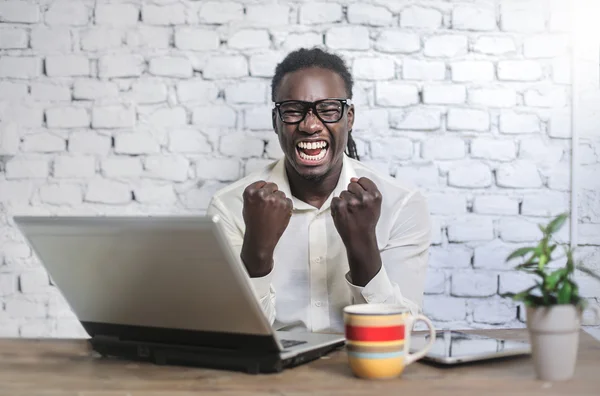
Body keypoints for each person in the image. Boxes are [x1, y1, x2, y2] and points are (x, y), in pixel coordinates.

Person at [207, 48, 431, 333]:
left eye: (328, 110)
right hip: (269, 375)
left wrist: (363, 245)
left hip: (361, 369)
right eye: (292, 110)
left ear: (349, 118)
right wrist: (258, 251)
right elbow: (233, 334)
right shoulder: (228, 207)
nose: (310, 125)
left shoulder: (401, 204)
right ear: (276, 121)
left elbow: (404, 333)